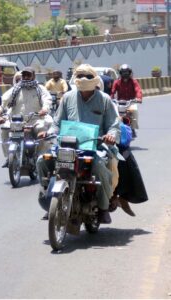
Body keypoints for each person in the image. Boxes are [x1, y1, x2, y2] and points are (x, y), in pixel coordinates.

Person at [37, 64, 121, 224]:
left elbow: (113, 125)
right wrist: (48, 132)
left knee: (100, 168)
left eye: (88, 76)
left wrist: (110, 136)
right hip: (67, 146)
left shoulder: (104, 99)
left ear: (94, 79)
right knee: (42, 161)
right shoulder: (67, 97)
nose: (83, 79)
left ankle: (103, 208)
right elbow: (57, 122)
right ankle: (48, 200)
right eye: (80, 75)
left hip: (95, 147)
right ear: (75, 78)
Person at [0, 66, 52, 168]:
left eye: (28, 75)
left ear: (33, 76)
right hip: (16, 120)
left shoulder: (40, 89)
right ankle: (9, 156)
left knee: (42, 133)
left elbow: (47, 100)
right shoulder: (16, 88)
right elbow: (4, 99)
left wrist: (44, 109)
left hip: (35, 119)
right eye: (24, 75)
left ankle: (38, 156)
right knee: (4, 130)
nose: (26, 77)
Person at [110, 64, 142, 137]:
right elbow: (112, 91)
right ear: (120, 73)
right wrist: (110, 98)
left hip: (131, 102)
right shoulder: (117, 82)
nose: (125, 74)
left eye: (127, 72)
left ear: (130, 72)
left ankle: (133, 128)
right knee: (113, 114)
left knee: (134, 111)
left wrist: (139, 98)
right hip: (120, 102)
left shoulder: (134, 81)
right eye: (123, 72)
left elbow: (138, 90)